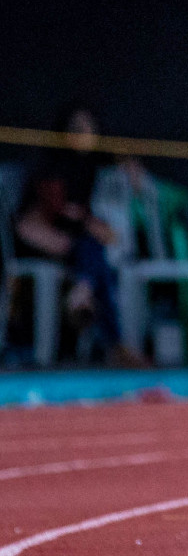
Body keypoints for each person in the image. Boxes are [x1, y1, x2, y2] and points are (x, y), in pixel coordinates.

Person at [12, 103, 144, 365]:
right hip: (40, 238)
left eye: (87, 128)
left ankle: (84, 294)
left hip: (75, 243)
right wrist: (90, 223)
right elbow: (56, 211)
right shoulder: (52, 164)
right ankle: (113, 340)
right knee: (94, 251)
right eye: (76, 128)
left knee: (96, 257)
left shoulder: (91, 165)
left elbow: (135, 181)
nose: (82, 133)